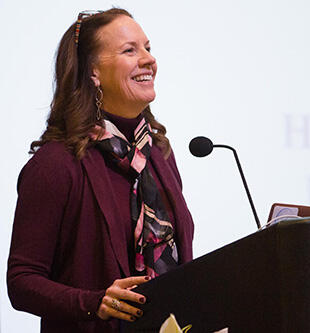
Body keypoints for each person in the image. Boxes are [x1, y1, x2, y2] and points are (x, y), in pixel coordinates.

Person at [7, 8, 194, 332]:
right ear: (93, 72)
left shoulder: (159, 154)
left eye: (148, 48)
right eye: (130, 50)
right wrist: (95, 303)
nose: (149, 60)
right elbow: (22, 282)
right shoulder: (57, 164)